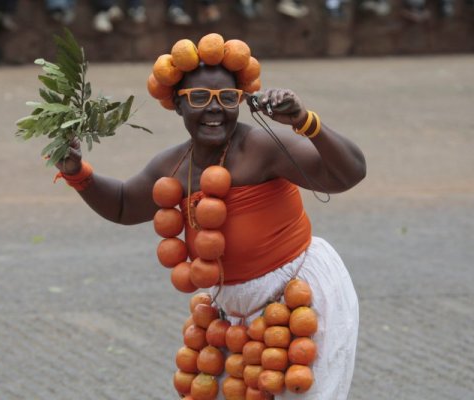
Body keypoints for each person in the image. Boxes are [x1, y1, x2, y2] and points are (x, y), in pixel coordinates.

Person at [52, 35, 365, 399]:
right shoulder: (172, 166)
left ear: (240, 102)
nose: (214, 109)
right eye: (199, 98)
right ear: (178, 106)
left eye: (227, 99)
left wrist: (303, 120)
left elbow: (349, 173)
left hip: (301, 299)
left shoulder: (263, 149)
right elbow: (124, 205)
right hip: (231, 318)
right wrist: (77, 172)